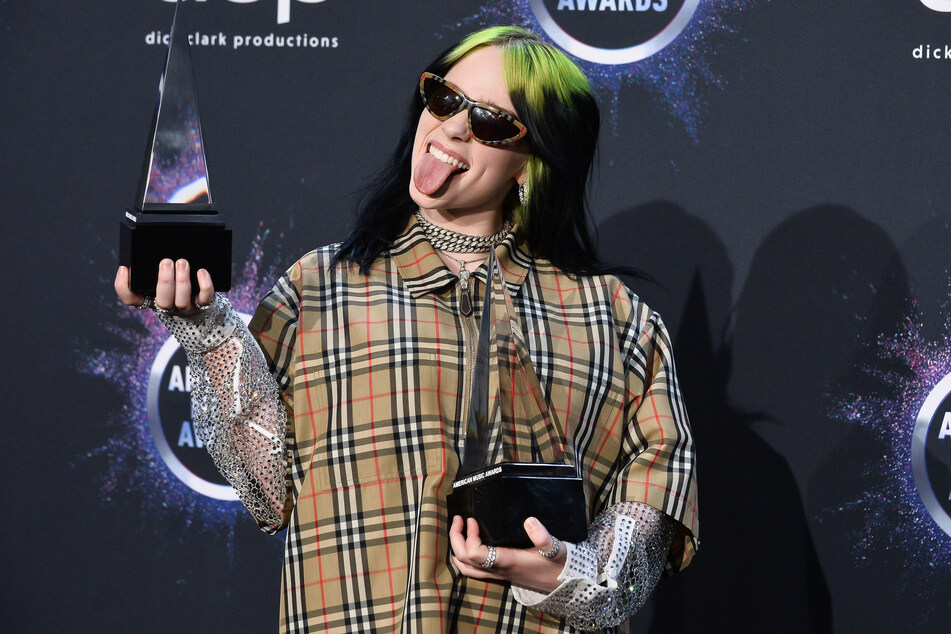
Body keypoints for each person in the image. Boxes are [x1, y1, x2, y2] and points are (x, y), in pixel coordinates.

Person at [116, 26, 698, 633]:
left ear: (533, 165)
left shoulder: (618, 321)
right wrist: (205, 330)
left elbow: (630, 556)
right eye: (444, 98)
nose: (450, 127)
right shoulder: (318, 288)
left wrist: (562, 573)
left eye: (492, 122)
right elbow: (267, 492)